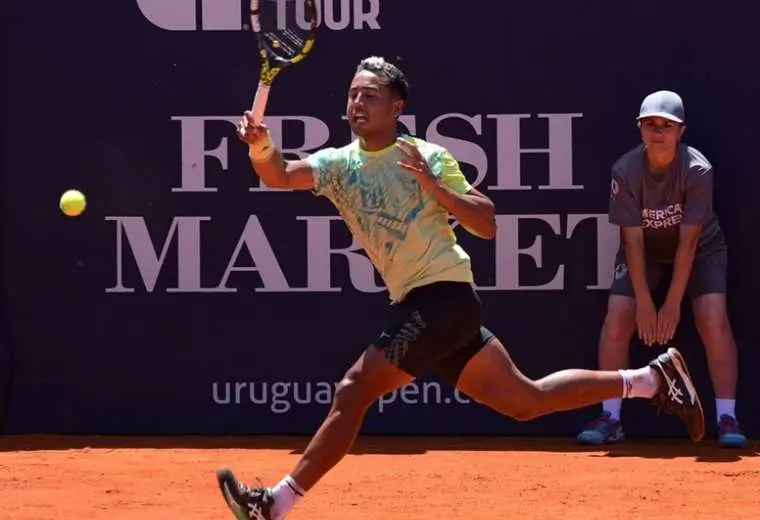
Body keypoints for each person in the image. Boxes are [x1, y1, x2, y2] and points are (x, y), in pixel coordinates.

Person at [216, 58, 705, 520]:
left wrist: (433, 186)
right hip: (420, 303)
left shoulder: (427, 155)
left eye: (370, 95)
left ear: (397, 108)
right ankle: (650, 380)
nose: (357, 104)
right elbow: (278, 174)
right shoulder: (338, 164)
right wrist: (261, 144)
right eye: (351, 95)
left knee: (353, 390)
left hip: (443, 297)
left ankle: (274, 505)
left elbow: (486, 222)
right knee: (525, 401)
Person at [576, 90, 747, 449]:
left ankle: (727, 417)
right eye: (650, 124)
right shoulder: (624, 170)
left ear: (680, 131)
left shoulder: (698, 170)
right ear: (640, 129)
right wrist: (644, 302)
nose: (658, 132)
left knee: (712, 318)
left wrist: (670, 304)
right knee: (618, 317)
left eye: (666, 126)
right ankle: (611, 418)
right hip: (645, 253)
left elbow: (688, 244)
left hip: (701, 249)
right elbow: (634, 243)